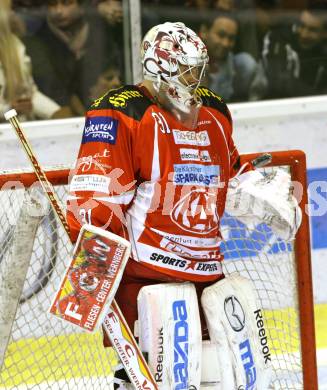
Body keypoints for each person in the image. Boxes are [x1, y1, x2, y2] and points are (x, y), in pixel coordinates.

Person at [66, 22, 300, 389]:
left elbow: (231, 172)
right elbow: (95, 201)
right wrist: (94, 278)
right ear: (162, 66)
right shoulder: (121, 112)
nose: (196, 78)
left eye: (198, 69)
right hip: (145, 276)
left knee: (218, 375)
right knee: (159, 375)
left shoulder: (214, 111)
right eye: (188, 69)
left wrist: (263, 195)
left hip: (207, 271)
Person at [23, 0, 123, 115]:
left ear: (81, 6)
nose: (58, 11)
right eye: (52, 4)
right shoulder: (38, 43)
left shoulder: (100, 32)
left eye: (66, 3)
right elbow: (54, 92)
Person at [0, 0, 67, 121]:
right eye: (10, 9)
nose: (14, 14)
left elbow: (30, 93)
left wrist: (55, 111)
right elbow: (11, 109)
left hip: (19, 129)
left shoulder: (15, 46)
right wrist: (9, 110)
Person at [261, 3, 327, 98]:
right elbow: (277, 81)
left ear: (325, 33)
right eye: (302, 26)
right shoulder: (278, 38)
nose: (304, 34)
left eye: (312, 30)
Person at [201, 13, 267, 101]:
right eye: (221, 35)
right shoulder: (184, 63)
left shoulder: (243, 68)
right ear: (204, 32)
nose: (225, 43)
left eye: (231, 38)